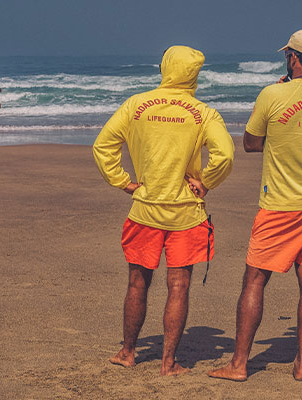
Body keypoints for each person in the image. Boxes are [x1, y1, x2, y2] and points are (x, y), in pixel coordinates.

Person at [208, 29, 302, 382]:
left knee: (254, 279)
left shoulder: (273, 94)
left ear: (293, 58)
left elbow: (251, 143)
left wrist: (278, 103)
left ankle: (239, 364)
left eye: (287, 55)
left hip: (279, 205)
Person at [93, 45, 234, 376]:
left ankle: (128, 352)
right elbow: (225, 155)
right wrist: (207, 182)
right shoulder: (203, 112)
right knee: (178, 286)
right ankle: (168, 362)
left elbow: (103, 146)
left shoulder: (136, 105)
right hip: (186, 213)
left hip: (145, 209)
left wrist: (125, 183)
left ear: (165, 68)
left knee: (137, 283)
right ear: (193, 74)